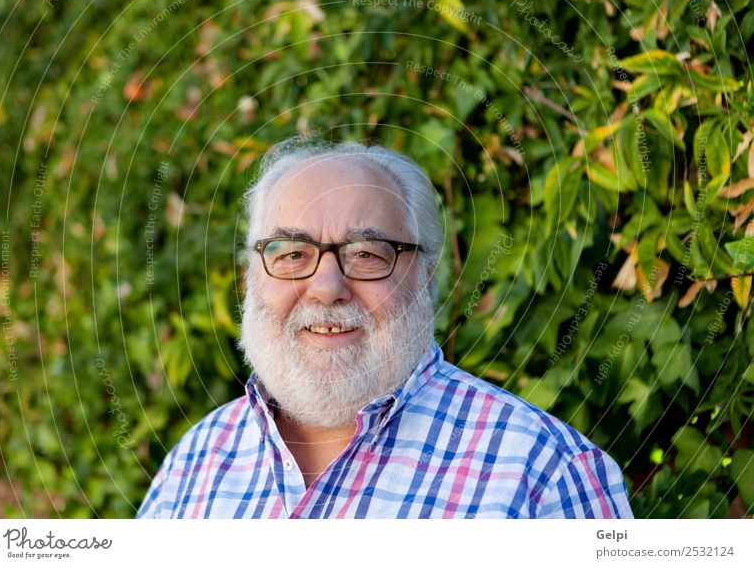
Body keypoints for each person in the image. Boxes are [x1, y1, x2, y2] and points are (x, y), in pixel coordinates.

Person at [136, 139, 633, 519]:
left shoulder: (542, 473)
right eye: (291, 254)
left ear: (425, 276)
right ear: (251, 278)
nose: (326, 287)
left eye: (367, 255)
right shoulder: (192, 467)